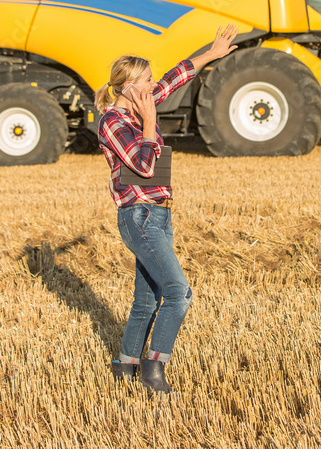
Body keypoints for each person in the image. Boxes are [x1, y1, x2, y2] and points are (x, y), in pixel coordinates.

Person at [94, 24, 238, 393]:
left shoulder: (140, 103)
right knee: (178, 293)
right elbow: (143, 166)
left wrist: (211, 53)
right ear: (129, 87)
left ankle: (124, 367)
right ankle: (153, 371)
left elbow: (176, 77)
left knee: (147, 300)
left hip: (159, 213)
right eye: (147, 80)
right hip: (139, 215)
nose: (154, 85)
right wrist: (150, 122)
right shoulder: (113, 121)